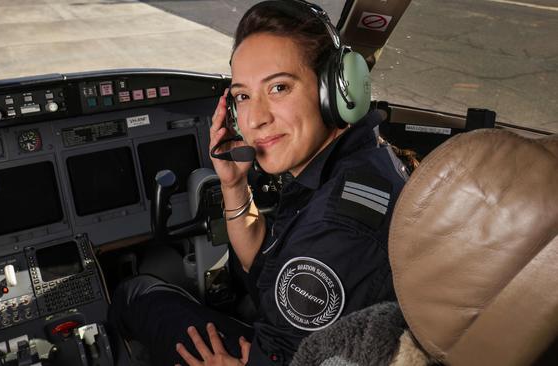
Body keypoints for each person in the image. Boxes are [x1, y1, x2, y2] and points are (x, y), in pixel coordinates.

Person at [108, 1, 408, 365]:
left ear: (336, 90)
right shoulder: (362, 160)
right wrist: (234, 186)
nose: (255, 119)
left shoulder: (335, 227)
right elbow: (266, 269)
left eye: (279, 87)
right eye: (243, 97)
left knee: (135, 292)